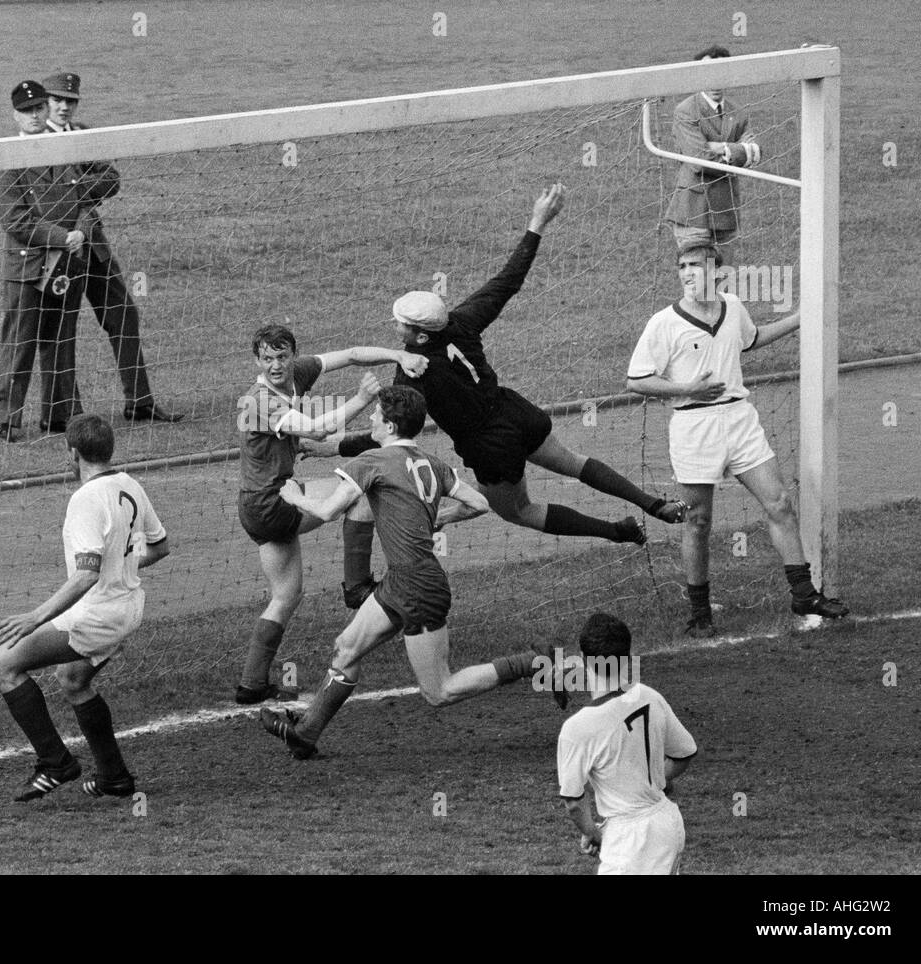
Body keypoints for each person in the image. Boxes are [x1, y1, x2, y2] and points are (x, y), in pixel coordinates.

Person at [307, 185, 687, 609]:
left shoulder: (412, 371)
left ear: (417, 334)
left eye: (399, 325)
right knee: (576, 465)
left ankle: (616, 531)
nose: (394, 328)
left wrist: (330, 448)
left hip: (490, 447)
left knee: (519, 511)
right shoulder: (462, 322)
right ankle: (653, 504)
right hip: (517, 412)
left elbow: (389, 432)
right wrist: (537, 223)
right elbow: (508, 280)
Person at [260, 386, 556, 760]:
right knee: (346, 647)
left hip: (417, 586)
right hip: (401, 581)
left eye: (376, 415)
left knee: (440, 691)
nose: (370, 419)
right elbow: (479, 503)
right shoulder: (434, 464)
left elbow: (329, 511)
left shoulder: (372, 461)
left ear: (390, 423)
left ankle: (535, 663)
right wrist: (438, 518)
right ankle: (306, 733)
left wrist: (294, 496)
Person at [626, 244, 847, 636]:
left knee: (780, 502)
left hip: (740, 420)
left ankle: (803, 593)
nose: (687, 273)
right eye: (682, 266)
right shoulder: (663, 323)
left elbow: (752, 337)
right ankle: (699, 613)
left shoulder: (732, 306)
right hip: (695, 426)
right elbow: (636, 379)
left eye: (695, 266)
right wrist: (687, 388)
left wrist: (800, 319)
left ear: (717, 272)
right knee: (698, 521)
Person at [234, 324, 428, 705]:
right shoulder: (258, 402)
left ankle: (251, 685)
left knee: (286, 596)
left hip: (258, 505)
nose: (276, 365)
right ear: (257, 361)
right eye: (268, 359)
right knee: (359, 494)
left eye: (282, 356)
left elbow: (353, 353)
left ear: (292, 355)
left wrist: (398, 356)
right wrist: (360, 399)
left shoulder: (297, 374)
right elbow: (320, 428)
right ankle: (357, 588)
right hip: (271, 504)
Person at [0, 414, 170, 801]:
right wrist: (121, 566)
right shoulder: (129, 484)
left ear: (72, 453)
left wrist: (36, 617)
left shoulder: (85, 499)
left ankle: (56, 762)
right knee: (73, 680)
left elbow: (86, 574)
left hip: (96, 615)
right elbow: (161, 546)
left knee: (2, 666)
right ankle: (114, 777)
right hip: (128, 607)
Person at [40, 71, 181, 424]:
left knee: (123, 314)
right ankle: (66, 412)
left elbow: (111, 179)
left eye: (70, 101)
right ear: (46, 103)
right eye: (57, 100)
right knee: (62, 329)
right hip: (60, 252)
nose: (64, 107)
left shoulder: (85, 134)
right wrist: (79, 197)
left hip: (94, 246)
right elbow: (45, 199)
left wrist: (73, 194)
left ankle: (140, 401)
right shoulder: (34, 142)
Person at [0, 80, 103, 441]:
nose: (35, 115)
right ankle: (7, 420)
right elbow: (15, 220)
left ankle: (58, 415)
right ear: (15, 116)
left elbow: (88, 196)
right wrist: (62, 236)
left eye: (39, 108)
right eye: (27, 111)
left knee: (62, 339)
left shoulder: (66, 147)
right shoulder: (7, 158)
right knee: (19, 345)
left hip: (68, 262)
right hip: (27, 268)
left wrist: (83, 231)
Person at [556, 612, 697, 875]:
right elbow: (684, 753)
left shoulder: (577, 728)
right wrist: (653, 784)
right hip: (668, 824)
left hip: (631, 841)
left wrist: (593, 833)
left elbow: (574, 803)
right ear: (628, 658)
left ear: (584, 661)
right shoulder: (649, 695)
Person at [664, 45, 762, 268]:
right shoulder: (686, 111)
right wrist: (736, 152)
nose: (715, 83)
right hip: (693, 213)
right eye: (709, 75)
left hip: (726, 212)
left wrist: (720, 147)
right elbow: (700, 162)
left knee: (720, 286)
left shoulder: (738, 112)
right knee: (698, 285)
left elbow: (755, 152)